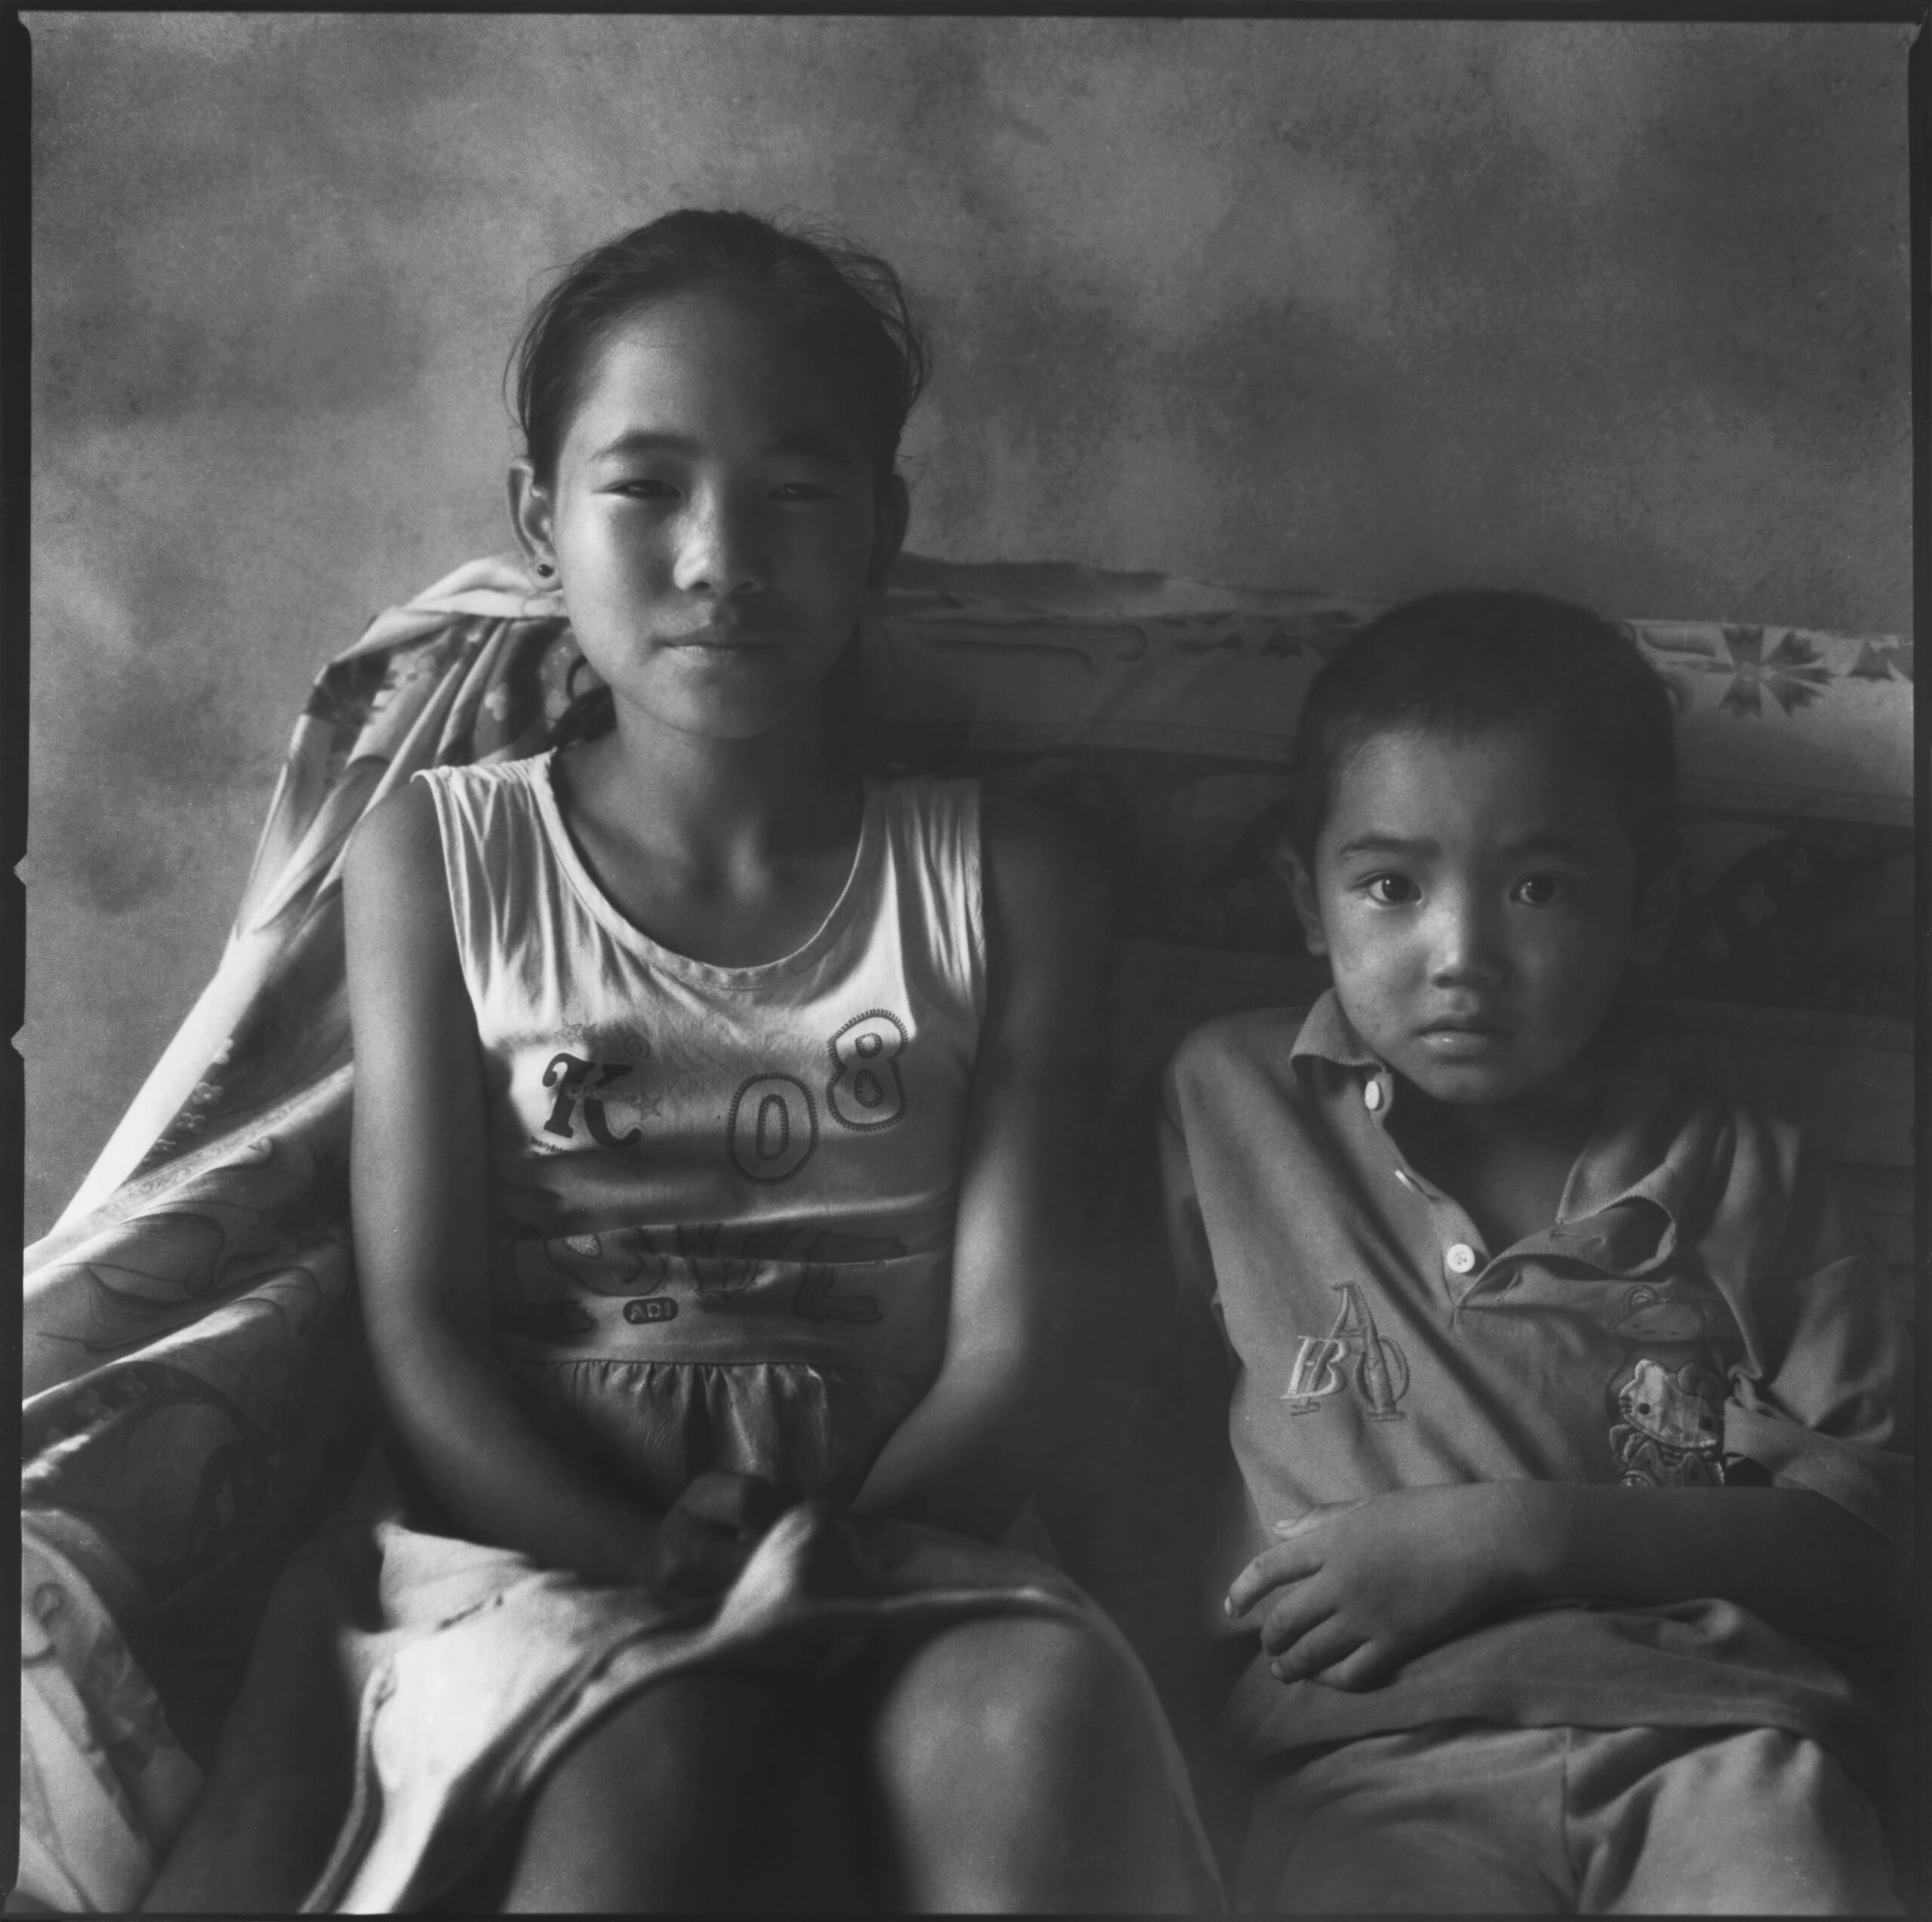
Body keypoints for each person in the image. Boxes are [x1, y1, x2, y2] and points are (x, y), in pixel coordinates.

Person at [145, 209, 1201, 1914]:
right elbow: (423, 1329)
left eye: (795, 494)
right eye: (645, 487)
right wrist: (644, 1560)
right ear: (538, 522)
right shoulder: (444, 858)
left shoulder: (1011, 876)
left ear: (882, 529)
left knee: (1033, 1721)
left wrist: (822, 1560)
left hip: (906, 1534)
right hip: (533, 1539)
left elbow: (1008, 1345)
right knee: (663, 1749)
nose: (721, 558)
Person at [1159, 590, 1910, 1913]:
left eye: (1538, 888)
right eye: (1391, 886)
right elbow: (1097, 1424)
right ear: (1304, 896)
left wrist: (1524, 1531)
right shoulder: (1229, 1106)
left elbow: (1871, 1552)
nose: (1464, 957)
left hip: (1725, 1742)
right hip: (1366, 1758)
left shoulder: (1752, 1175)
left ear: (1650, 906)